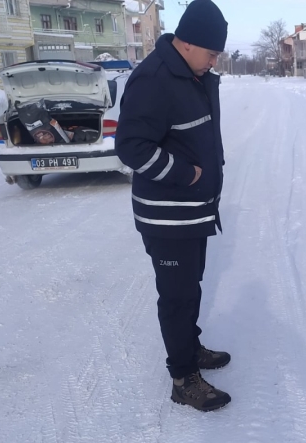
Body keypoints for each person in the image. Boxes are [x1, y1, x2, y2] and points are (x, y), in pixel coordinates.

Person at [115, 0, 231, 412]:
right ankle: (183, 378)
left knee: (191, 287)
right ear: (188, 43)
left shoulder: (192, 74)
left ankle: (190, 346)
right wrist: (184, 174)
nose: (214, 61)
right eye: (211, 53)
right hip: (167, 214)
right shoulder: (156, 79)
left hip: (193, 211)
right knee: (177, 295)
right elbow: (130, 146)